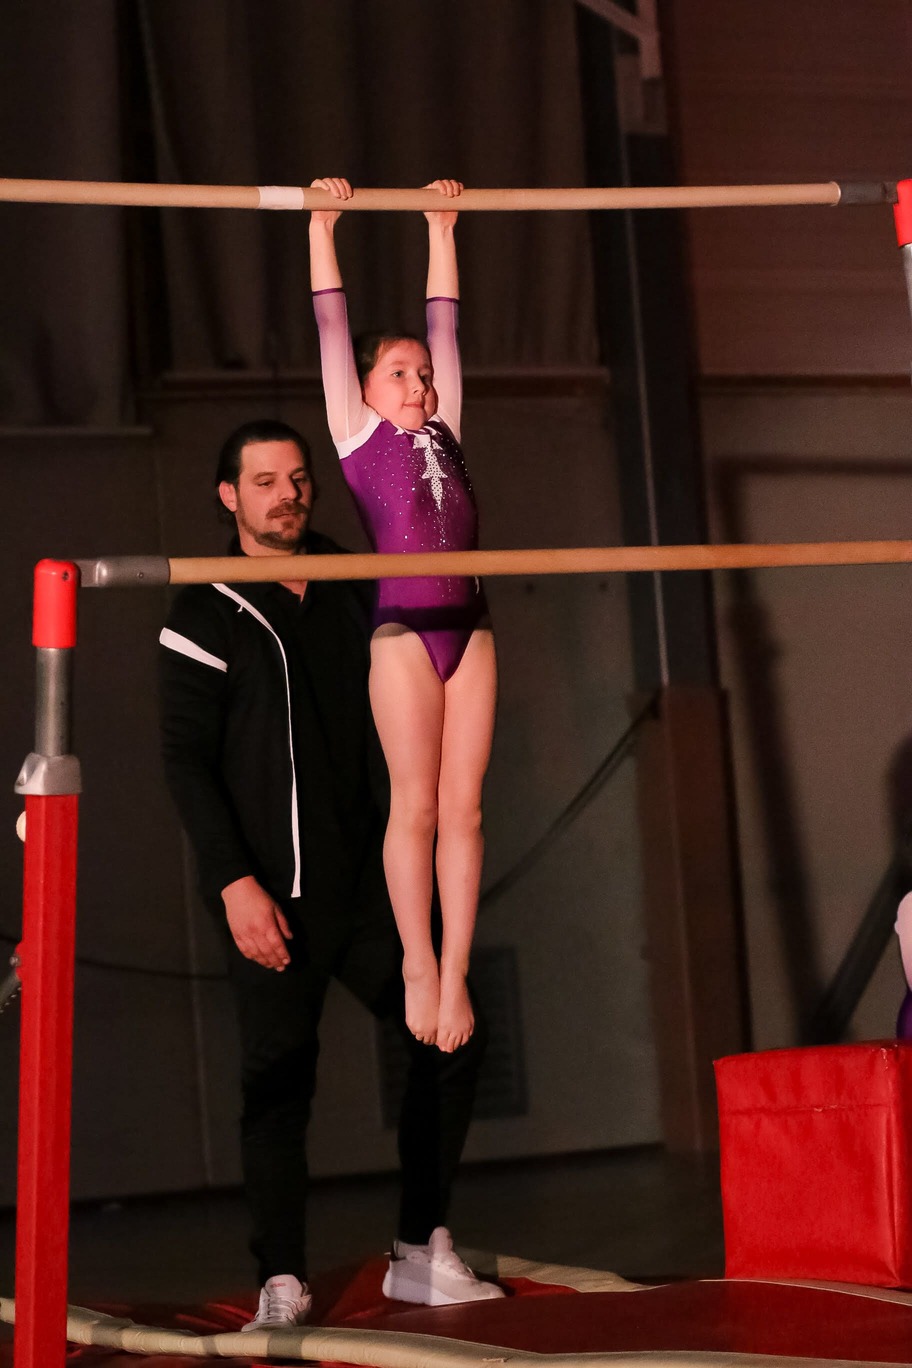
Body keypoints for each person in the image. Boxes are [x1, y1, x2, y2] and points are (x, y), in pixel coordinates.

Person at [158, 419, 504, 1328]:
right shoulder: (203, 608)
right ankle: (281, 1278)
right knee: (279, 1082)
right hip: (270, 897)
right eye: (265, 482)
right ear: (229, 497)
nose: (288, 495)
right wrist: (234, 883)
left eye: (299, 478)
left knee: (450, 1040)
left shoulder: (360, 580)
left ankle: (419, 1249)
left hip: (366, 885)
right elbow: (185, 760)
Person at [309, 177, 497, 1057]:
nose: (419, 383)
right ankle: (417, 959)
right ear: (364, 390)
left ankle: (456, 968)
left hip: (473, 630)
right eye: (399, 374)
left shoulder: (446, 425)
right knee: (415, 809)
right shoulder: (357, 434)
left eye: (423, 375)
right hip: (403, 638)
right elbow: (331, 324)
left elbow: (446, 327)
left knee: (466, 813)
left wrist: (441, 227)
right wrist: (322, 224)